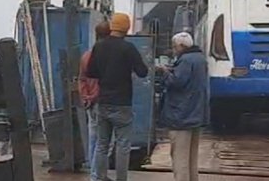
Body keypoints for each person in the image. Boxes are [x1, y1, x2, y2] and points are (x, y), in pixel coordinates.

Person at [88, 13, 148, 181]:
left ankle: (99, 177)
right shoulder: (128, 48)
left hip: (103, 102)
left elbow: (91, 72)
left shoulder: (98, 46)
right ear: (127, 28)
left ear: (112, 26)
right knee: (122, 145)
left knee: (102, 143)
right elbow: (143, 72)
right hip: (122, 103)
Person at [156, 32, 209, 181]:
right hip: (196, 114)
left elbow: (177, 82)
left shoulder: (185, 60)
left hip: (181, 116)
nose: (173, 50)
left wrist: (165, 72)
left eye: (174, 47)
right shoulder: (200, 59)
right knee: (192, 158)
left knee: (180, 158)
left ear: (181, 46)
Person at [79, 20, 111, 177]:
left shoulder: (86, 56)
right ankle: (97, 174)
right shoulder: (105, 56)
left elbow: (82, 79)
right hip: (102, 101)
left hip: (90, 102)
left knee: (93, 138)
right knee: (104, 142)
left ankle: (94, 171)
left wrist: (86, 97)